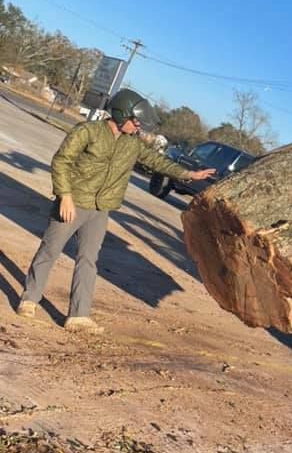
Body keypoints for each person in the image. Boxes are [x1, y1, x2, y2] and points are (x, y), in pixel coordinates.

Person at [16, 88, 216, 332]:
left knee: (88, 260)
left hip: (101, 209)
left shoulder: (133, 144)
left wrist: (189, 174)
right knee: (50, 249)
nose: (137, 126)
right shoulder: (87, 131)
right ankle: (29, 300)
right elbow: (61, 161)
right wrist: (64, 196)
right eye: (135, 121)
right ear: (121, 114)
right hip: (74, 201)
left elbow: (156, 161)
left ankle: (78, 316)